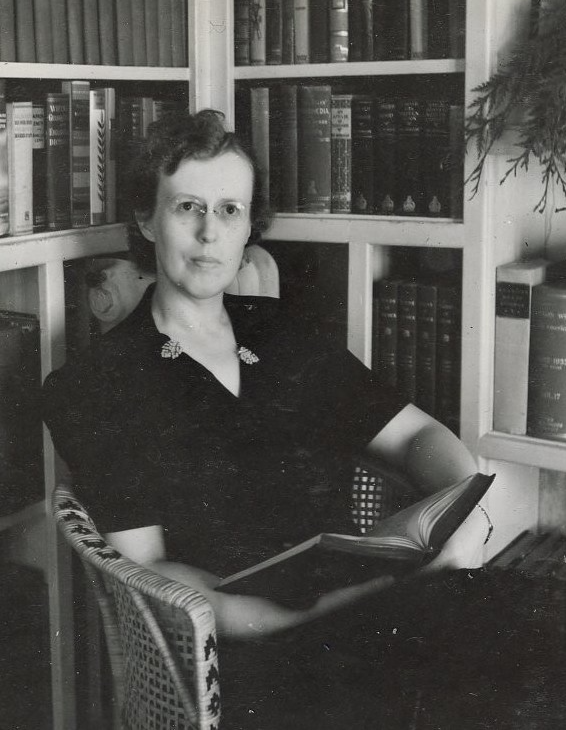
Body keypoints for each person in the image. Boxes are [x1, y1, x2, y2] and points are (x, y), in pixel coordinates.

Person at [43, 110, 564, 729]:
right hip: (249, 653)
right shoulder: (95, 383)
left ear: (249, 227)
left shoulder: (282, 332)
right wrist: (322, 609)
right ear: (146, 220)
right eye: (188, 208)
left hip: (374, 609)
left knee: (531, 631)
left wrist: (459, 517)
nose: (210, 233)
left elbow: (419, 435)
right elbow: (153, 574)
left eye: (230, 210)